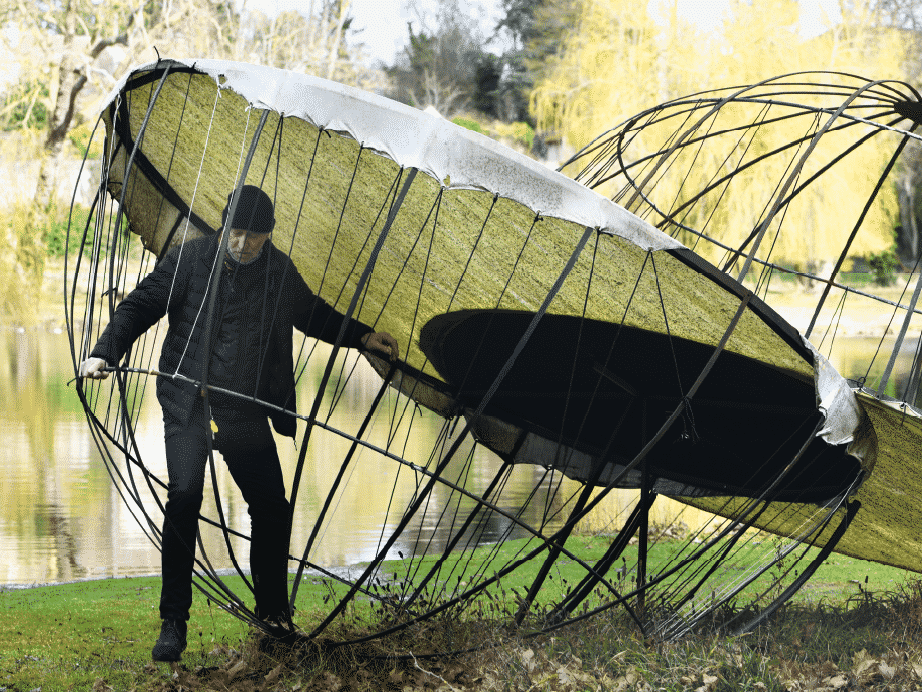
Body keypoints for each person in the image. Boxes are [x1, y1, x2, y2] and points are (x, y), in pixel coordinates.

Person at [78, 185, 398, 662]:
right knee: (184, 497)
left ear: (268, 236)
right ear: (224, 224)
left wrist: (362, 336)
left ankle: (272, 617)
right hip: (187, 402)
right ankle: (173, 622)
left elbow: (314, 316)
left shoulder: (279, 272)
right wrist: (105, 351)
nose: (244, 243)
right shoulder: (190, 259)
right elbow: (140, 305)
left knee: (272, 506)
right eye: (237, 232)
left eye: (255, 236)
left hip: (242, 410)